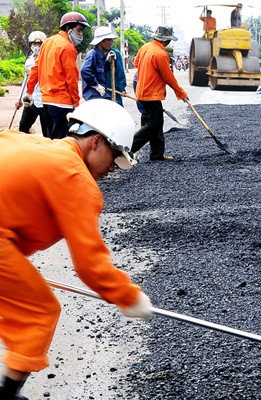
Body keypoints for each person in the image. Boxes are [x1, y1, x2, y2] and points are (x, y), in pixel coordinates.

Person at [0, 99, 152, 400]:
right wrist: (129, 296)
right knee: (39, 310)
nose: (112, 169)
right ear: (95, 141)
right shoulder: (76, 180)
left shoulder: (29, 143)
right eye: (113, 158)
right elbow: (90, 265)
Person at [25, 11, 90, 140]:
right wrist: (76, 103)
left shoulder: (47, 42)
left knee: (51, 139)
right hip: (63, 103)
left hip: (46, 101)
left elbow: (35, 69)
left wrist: (29, 91)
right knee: (62, 141)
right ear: (68, 28)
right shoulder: (68, 47)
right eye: (79, 30)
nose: (80, 35)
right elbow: (71, 78)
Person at [132, 26, 188, 161]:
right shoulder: (161, 55)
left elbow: (136, 63)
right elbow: (168, 77)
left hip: (141, 91)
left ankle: (156, 154)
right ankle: (128, 148)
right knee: (153, 124)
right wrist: (181, 93)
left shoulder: (145, 47)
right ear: (167, 41)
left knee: (154, 122)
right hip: (151, 94)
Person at [81, 26, 127, 106]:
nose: (111, 42)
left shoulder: (107, 55)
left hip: (103, 95)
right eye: (109, 40)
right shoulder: (93, 54)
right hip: (94, 96)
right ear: (101, 41)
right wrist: (96, 85)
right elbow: (85, 70)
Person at [14, 30, 48, 136]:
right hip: (31, 99)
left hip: (44, 100)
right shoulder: (29, 61)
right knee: (23, 127)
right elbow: (26, 80)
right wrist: (19, 99)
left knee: (47, 131)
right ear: (31, 44)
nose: (37, 46)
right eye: (35, 43)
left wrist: (34, 72)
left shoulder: (48, 59)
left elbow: (49, 76)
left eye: (39, 44)